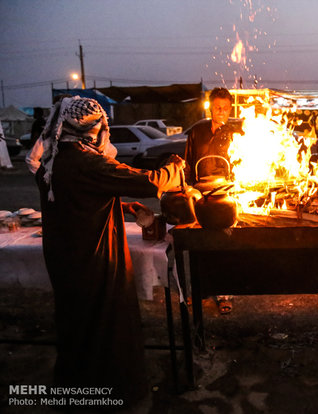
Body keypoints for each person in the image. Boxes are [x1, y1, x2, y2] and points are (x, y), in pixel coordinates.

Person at [35, 97, 184, 406]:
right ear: (91, 131)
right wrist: (173, 166)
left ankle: (73, 391)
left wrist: (123, 205)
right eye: (103, 128)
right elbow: (149, 183)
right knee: (107, 324)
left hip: (65, 258)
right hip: (93, 259)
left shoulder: (53, 158)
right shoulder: (86, 161)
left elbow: (79, 200)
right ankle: (113, 394)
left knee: (75, 324)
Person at [183, 87, 241, 314]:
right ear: (210, 107)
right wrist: (186, 188)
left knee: (225, 245)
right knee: (200, 244)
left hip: (227, 193)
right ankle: (200, 291)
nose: (221, 112)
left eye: (225, 108)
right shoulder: (197, 132)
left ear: (230, 108)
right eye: (217, 107)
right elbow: (188, 163)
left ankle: (225, 294)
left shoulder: (237, 133)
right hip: (200, 193)